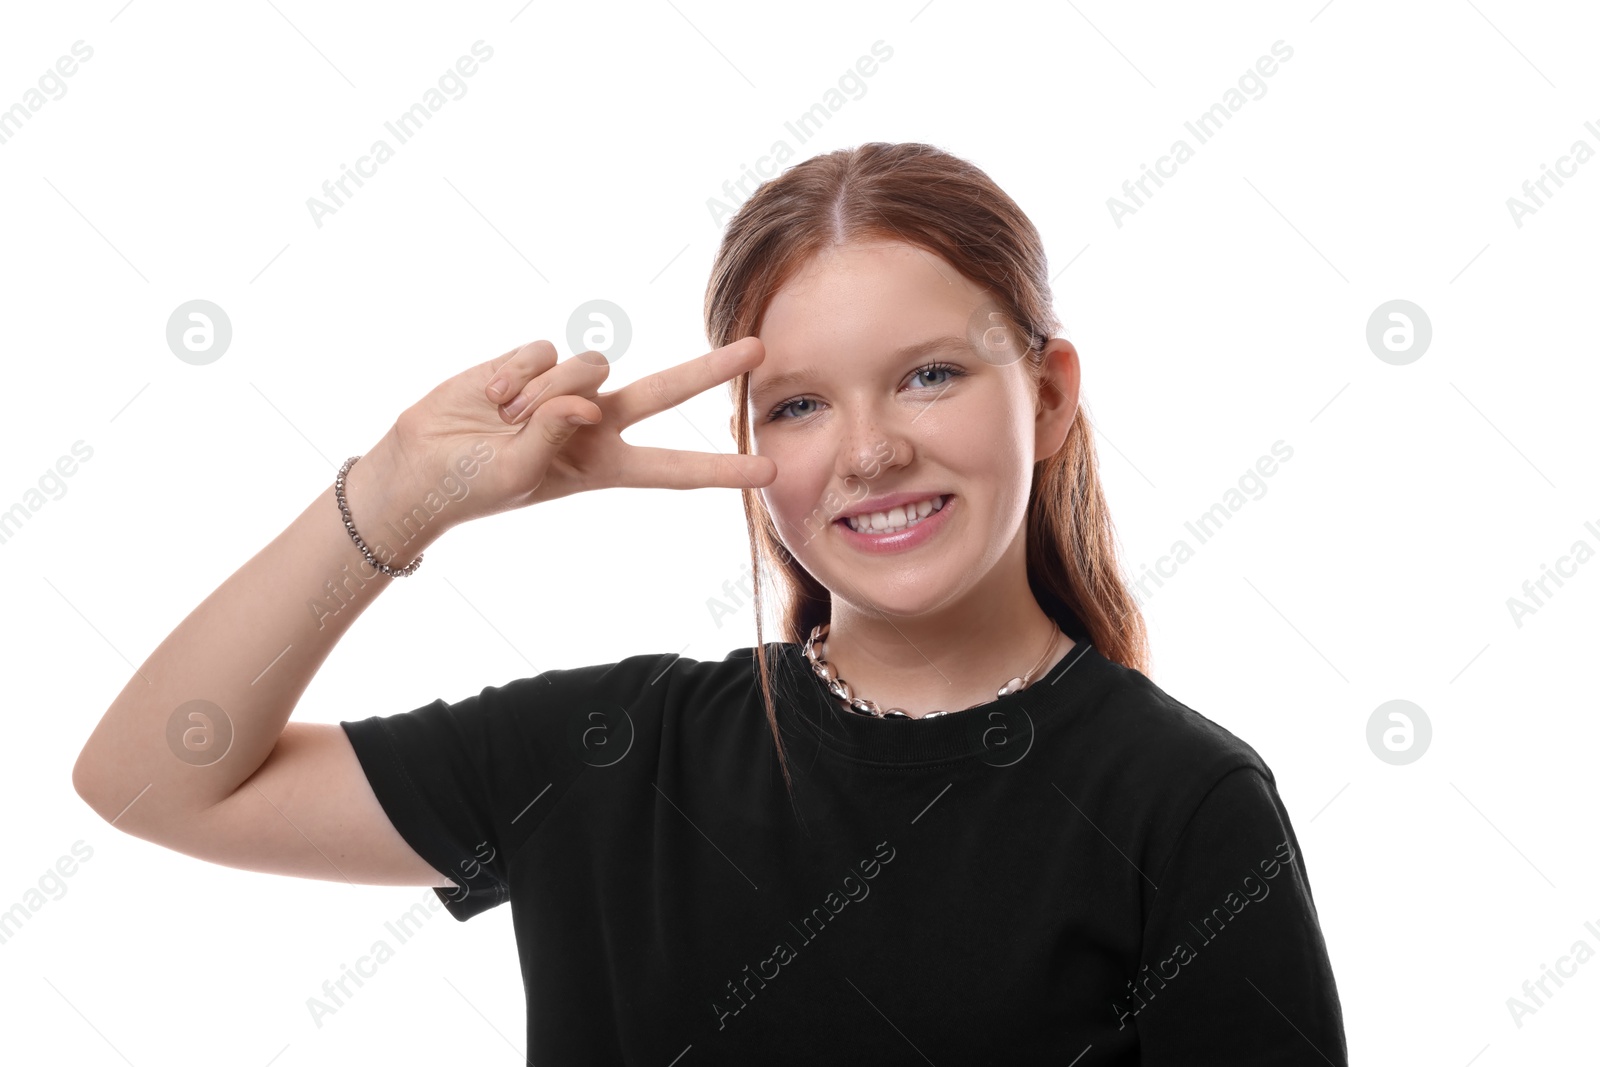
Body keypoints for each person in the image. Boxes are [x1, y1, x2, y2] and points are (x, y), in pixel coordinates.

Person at [73, 142, 1347, 1064]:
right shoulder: (613, 753)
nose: (867, 451)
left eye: (927, 375)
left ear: (1051, 397)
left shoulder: (1182, 804)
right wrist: (398, 503)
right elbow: (152, 777)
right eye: (797, 403)